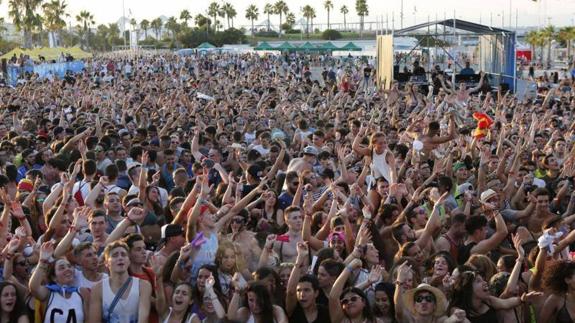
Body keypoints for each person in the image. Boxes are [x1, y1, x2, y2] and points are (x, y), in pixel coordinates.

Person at [88, 240, 152, 323]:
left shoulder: (143, 286)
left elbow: (143, 320)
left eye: (123, 255)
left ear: (129, 261)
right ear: (107, 263)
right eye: (115, 255)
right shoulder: (98, 289)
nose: (120, 258)